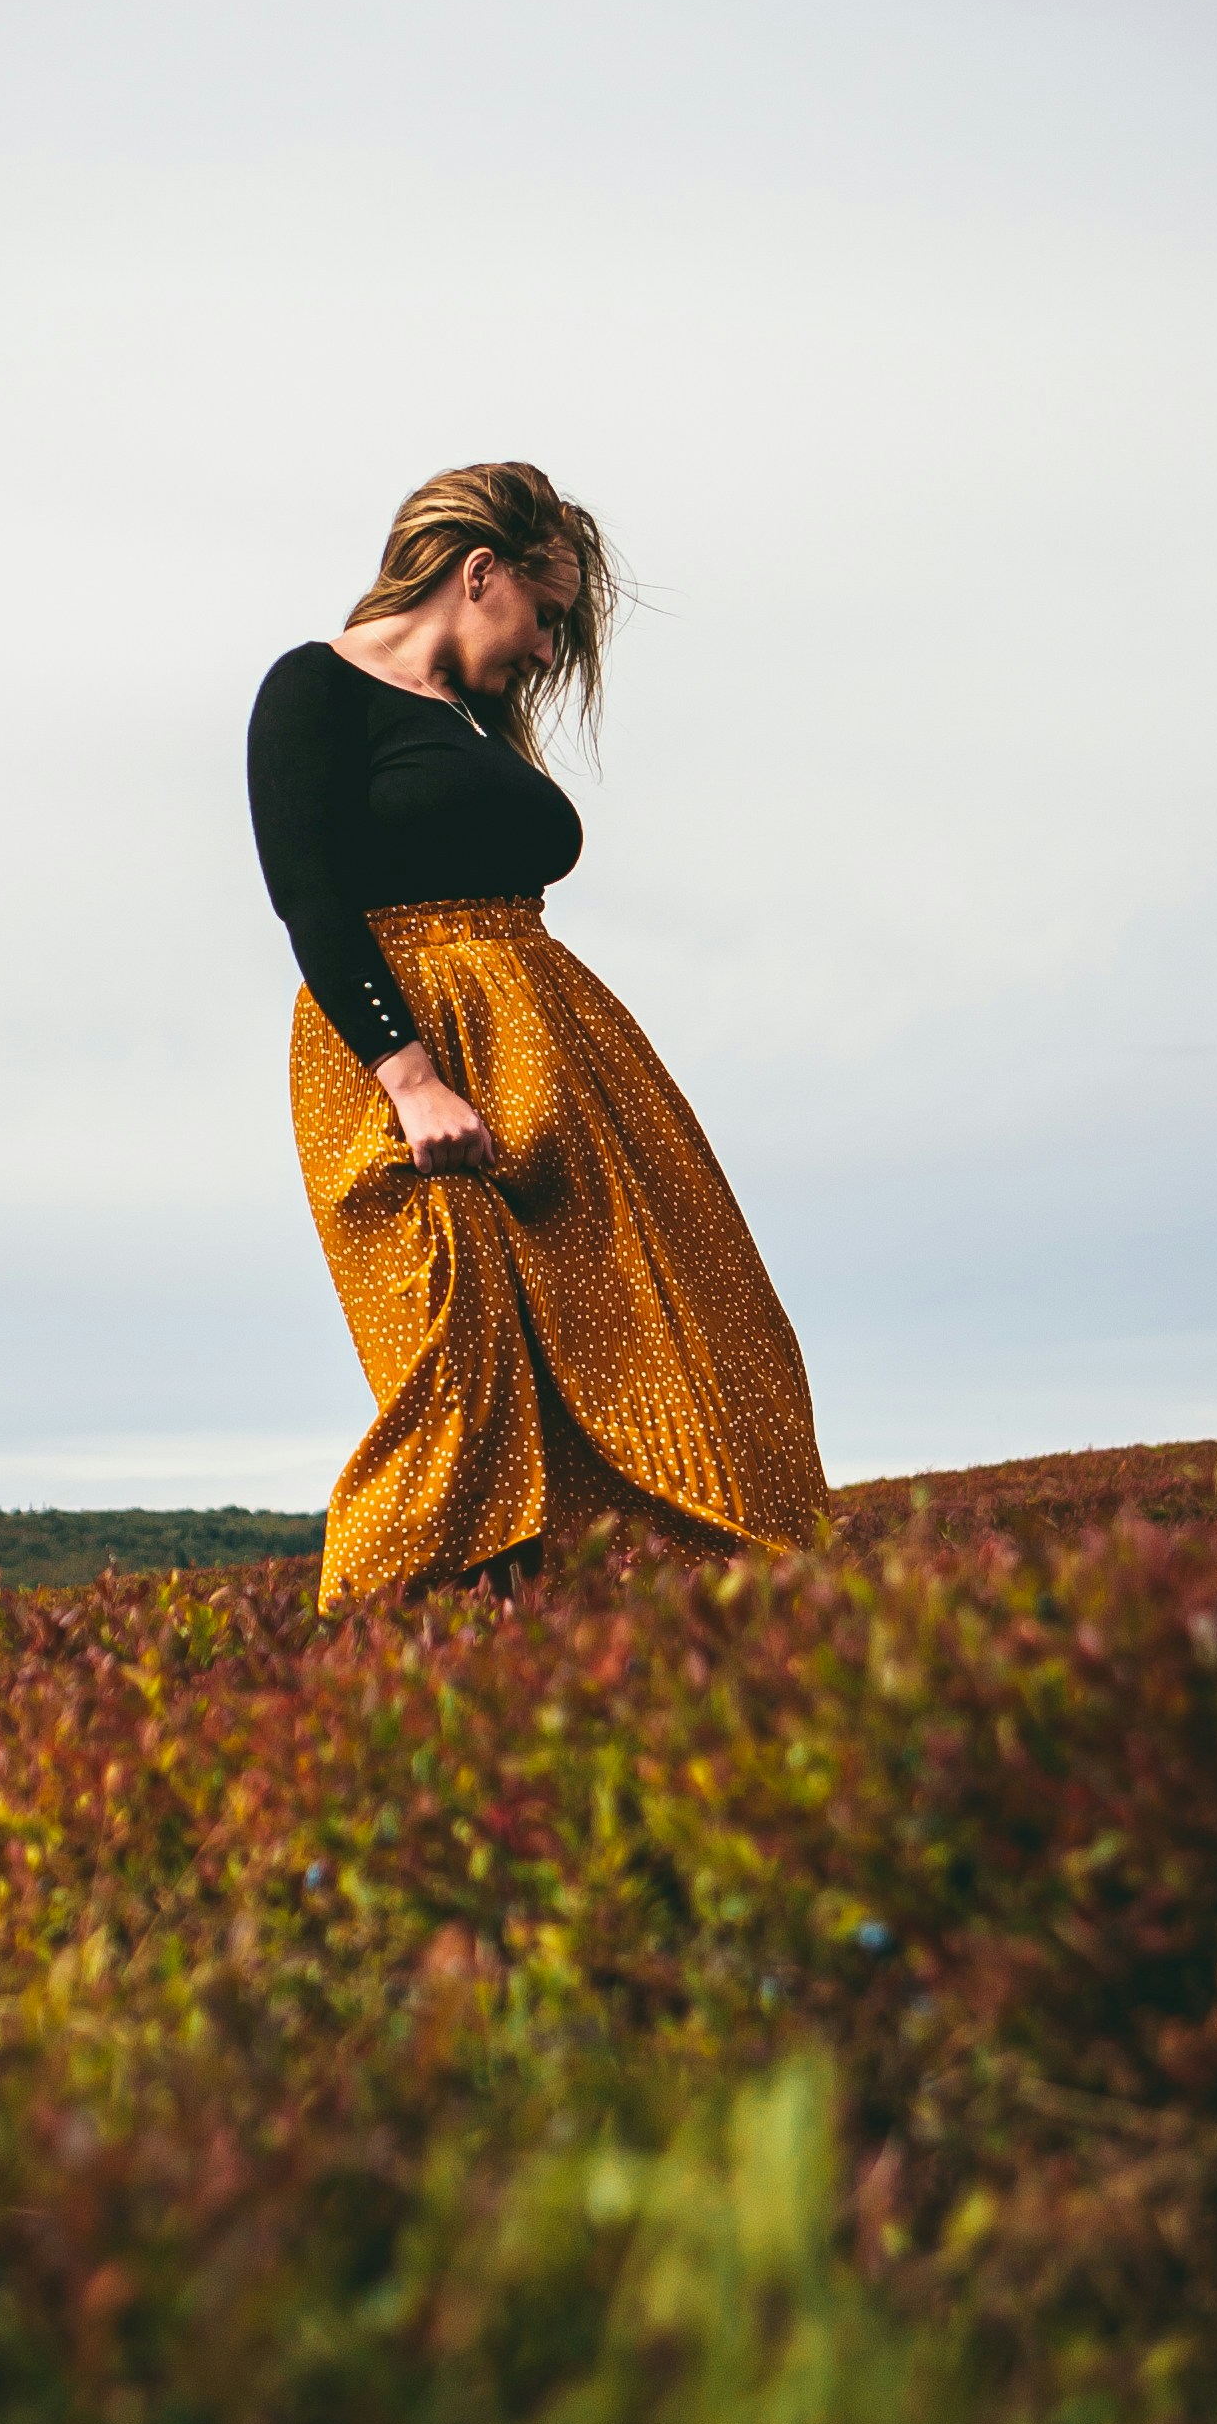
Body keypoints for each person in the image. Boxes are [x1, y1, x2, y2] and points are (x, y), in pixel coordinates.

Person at [247, 459, 826, 1608]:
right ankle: (377, 1676)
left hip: (556, 1071)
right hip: (398, 1072)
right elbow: (309, 897)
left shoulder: (468, 723)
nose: (551, 654)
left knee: (688, 1339)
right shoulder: (315, 688)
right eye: (549, 618)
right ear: (480, 573)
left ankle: (643, 1642)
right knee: (459, 1374)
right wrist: (411, 1080)